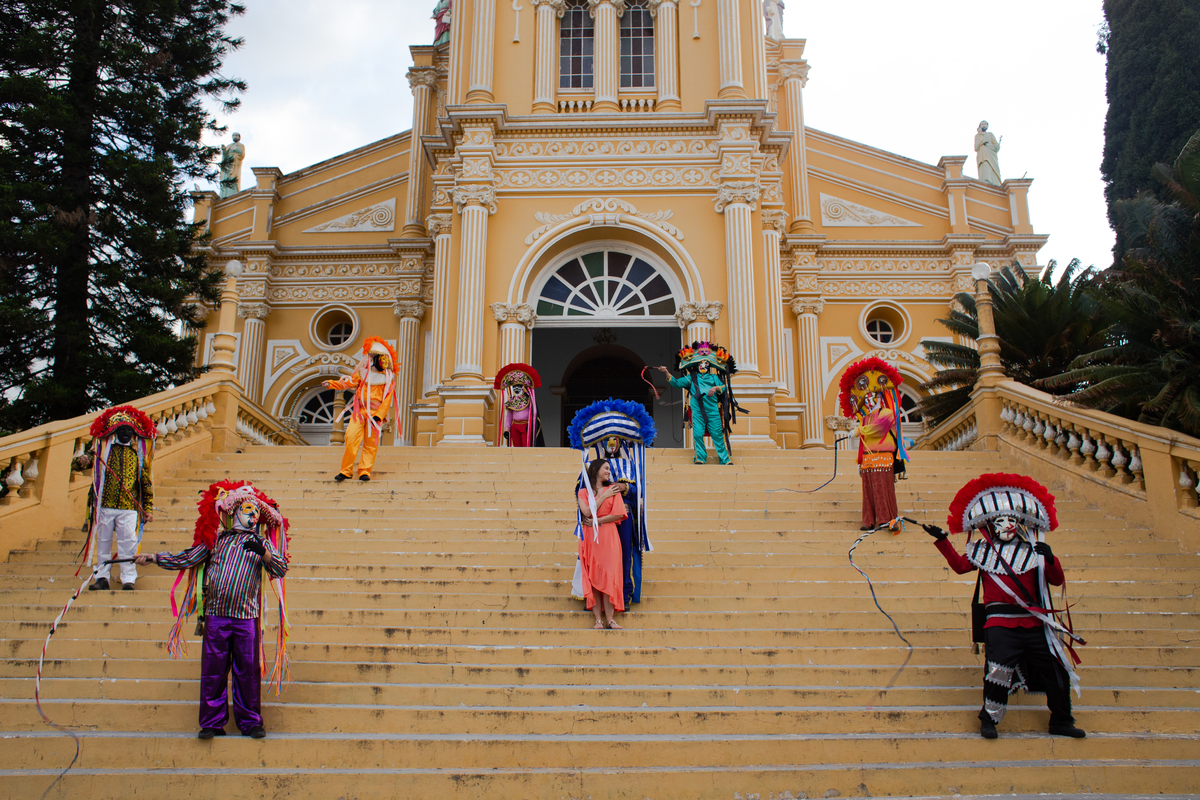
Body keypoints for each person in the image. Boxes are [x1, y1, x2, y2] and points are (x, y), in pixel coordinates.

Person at [923, 472, 1086, 740]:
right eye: (1000, 521)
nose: (1007, 525)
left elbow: (1056, 581)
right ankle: (989, 719)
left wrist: (1051, 558)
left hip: (1034, 622)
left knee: (1056, 671)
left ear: (1020, 523)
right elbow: (960, 567)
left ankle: (1061, 720)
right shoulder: (982, 551)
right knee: (997, 672)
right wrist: (942, 540)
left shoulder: (1034, 549)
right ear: (990, 525)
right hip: (999, 622)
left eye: (1011, 520)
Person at [136, 480, 291, 740]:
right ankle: (211, 722)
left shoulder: (262, 543)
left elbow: (280, 569)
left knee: (248, 671)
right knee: (213, 670)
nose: (251, 515)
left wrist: (264, 553)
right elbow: (187, 557)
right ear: (233, 513)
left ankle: (250, 722)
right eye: (246, 510)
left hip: (247, 618)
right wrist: (155, 558)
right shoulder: (216, 541)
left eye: (255, 511)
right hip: (217, 615)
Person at [567, 398, 657, 608]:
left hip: (622, 515)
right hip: (598, 517)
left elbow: (639, 492)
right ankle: (593, 594)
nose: (611, 443)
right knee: (597, 555)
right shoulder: (590, 465)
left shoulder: (630, 464)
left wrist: (627, 488)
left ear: (621, 442)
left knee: (624, 555)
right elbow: (580, 489)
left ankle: (623, 595)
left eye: (614, 439)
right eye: (607, 439)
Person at [76, 405, 156, 590]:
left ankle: (128, 579)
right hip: (105, 505)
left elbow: (145, 484)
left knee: (128, 543)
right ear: (115, 431)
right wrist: (82, 460)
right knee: (103, 543)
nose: (126, 433)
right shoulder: (102, 451)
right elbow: (77, 464)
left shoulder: (138, 457)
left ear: (134, 433)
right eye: (122, 430)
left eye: (129, 430)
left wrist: (148, 508)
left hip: (129, 508)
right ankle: (101, 578)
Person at [838, 357, 909, 531]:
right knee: (868, 492)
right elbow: (864, 440)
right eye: (867, 398)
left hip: (883, 457)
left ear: (880, 398)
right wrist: (860, 461)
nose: (869, 400)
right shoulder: (865, 418)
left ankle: (887, 519)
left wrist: (858, 431)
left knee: (883, 489)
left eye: (873, 397)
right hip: (869, 458)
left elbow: (880, 428)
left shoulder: (887, 413)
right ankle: (868, 520)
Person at [324, 337, 401, 482]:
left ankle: (364, 471)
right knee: (351, 438)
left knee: (370, 444)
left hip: (374, 415)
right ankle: (346, 470)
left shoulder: (388, 379)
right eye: (381, 358)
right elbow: (347, 383)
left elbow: (387, 399)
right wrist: (331, 383)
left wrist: (379, 416)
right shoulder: (363, 374)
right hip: (359, 412)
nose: (383, 361)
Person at [656, 341, 739, 465]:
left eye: (706, 363)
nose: (703, 365)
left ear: (709, 365)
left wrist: (715, 388)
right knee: (698, 434)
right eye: (701, 363)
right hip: (698, 412)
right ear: (697, 365)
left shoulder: (714, 377)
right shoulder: (691, 377)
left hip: (713, 411)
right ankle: (700, 457)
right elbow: (676, 383)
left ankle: (724, 459)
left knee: (717, 435)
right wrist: (666, 372)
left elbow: (724, 388)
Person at [577, 458, 627, 629]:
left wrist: (599, 520)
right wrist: (604, 495)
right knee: (594, 579)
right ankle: (598, 619)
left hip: (609, 536)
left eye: (609, 469)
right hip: (591, 538)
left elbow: (619, 514)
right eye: (605, 468)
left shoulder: (614, 489)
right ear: (596, 469)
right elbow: (586, 511)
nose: (608, 471)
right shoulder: (583, 492)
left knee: (609, 577)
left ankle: (610, 619)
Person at [494, 362, 545, 447]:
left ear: (523, 387)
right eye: (514, 386)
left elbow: (533, 413)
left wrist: (531, 425)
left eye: (518, 386)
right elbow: (509, 416)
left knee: (525, 446)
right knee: (517, 447)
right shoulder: (511, 401)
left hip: (525, 426)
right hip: (514, 426)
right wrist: (507, 429)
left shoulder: (528, 399)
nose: (516, 388)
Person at [218, 133, 245, 198]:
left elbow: (242, 154)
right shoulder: (229, 146)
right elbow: (225, 156)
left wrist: (235, 149)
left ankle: (233, 193)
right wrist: (224, 150)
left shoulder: (240, 145)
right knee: (225, 177)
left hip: (234, 163)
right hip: (227, 163)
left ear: (239, 137)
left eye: (236, 135)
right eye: (233, 135)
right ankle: (224, 194)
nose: (235, 137)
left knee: (233, 178)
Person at [975, 121, 1001, 186]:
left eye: (985, 124)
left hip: (991, 155)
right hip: (983, 156)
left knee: (993, 169)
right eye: (982, 124)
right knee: (985, 165)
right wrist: (980, 134)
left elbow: (996, 146)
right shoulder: (977, 136)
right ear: (980, 126)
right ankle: (986, 182)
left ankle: (995, 183)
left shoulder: (990, 134)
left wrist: (994, 146)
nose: (984, 125)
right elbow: (976, 147)